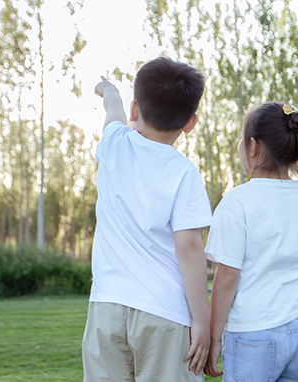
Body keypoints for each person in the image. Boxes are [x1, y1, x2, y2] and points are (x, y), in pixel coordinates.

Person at [82, 57, 212, 382]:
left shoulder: (113, 144)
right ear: (190, 122)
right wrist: (201, 321)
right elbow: (189, 248)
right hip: (164, 314)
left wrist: (108, 88)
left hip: (106, 308)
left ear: (134, 111)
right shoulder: (184, 173)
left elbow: (112, 107)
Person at [203, 102, 298, 381]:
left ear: (253, 146)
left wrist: (214, 337)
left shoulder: (236, 202)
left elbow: (227, 275)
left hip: (252, 333)